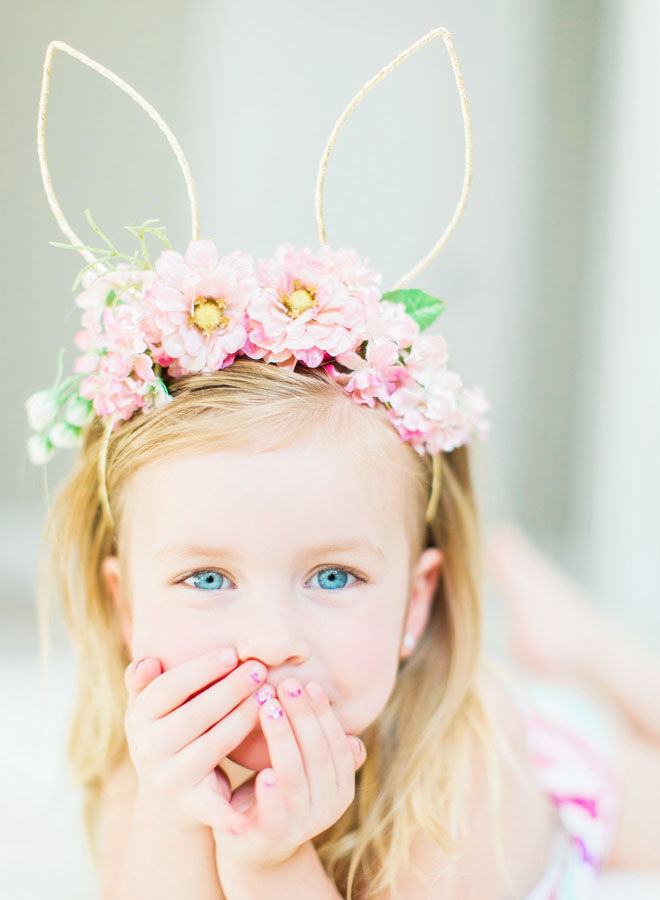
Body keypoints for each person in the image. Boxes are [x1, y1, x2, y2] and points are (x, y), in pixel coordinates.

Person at [26, 28, 658, 900]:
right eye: (207, 580)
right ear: (125, 605)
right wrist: (181, 824)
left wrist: (269, 860)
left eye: (333, 576)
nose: (273, 641)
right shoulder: (152, 772)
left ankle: (594, 650)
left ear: (416, 601)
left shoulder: (467, 766)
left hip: (569, 773)